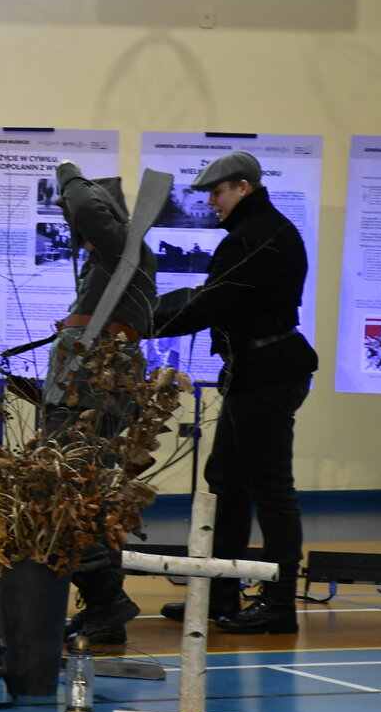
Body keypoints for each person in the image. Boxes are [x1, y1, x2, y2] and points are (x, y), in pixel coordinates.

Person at [153, 152, 318, 634]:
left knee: (270, 489)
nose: (211, 202)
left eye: (218, 192)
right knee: (227, 481)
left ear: (243, 187)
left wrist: (138, 324)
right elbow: (215, 300)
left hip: (267, 372)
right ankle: (219, 593)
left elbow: (210, 304)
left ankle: (280, 604)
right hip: (254, 370)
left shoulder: (256, 236)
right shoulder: (257, 231)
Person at [46, 161, 157, 645]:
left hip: (91, 387)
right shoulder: (108, 262)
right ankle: (104, 608)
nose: (76, 228)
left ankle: (107, 601)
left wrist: (67, 174)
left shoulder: (122, 249)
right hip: (83, 383)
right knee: (88, 494)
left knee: (71, 490)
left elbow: (87, 207)